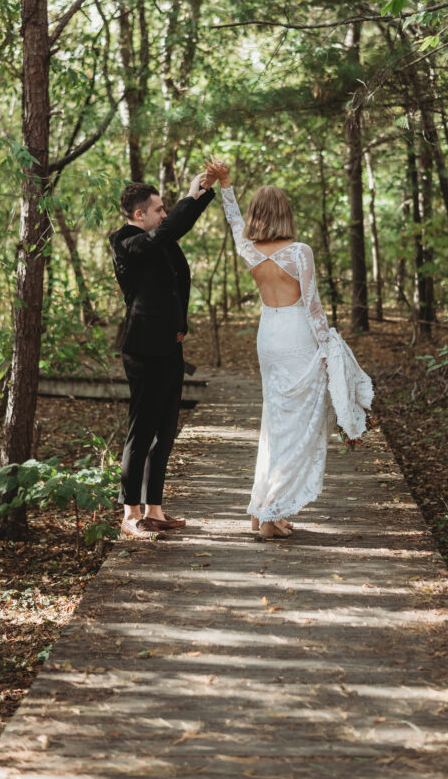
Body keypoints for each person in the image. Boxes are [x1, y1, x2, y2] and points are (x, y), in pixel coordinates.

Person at [206, 159, 374, 541]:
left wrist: (225, 184)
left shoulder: (249, 249)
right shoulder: (299, 252)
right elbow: (313, 307)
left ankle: (263, 506)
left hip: (269, 335)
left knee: (275, 423)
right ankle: (270, 515)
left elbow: (233, 220)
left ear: (256, 214)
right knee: (299, 426)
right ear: (285, 214)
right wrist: (329, 349)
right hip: (298, 335)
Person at [109, 172, 216, 540]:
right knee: (140, 434)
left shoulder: (160, 241)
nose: (164, 214)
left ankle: (154, 510)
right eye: (159, 209)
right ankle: (130, 514)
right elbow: (170, 230)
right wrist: (191, 197)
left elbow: (173, 262)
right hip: (143, 351)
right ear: (140, 215)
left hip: (170, 347)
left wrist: (200, 195)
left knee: (165, 433)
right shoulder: (126, 241)